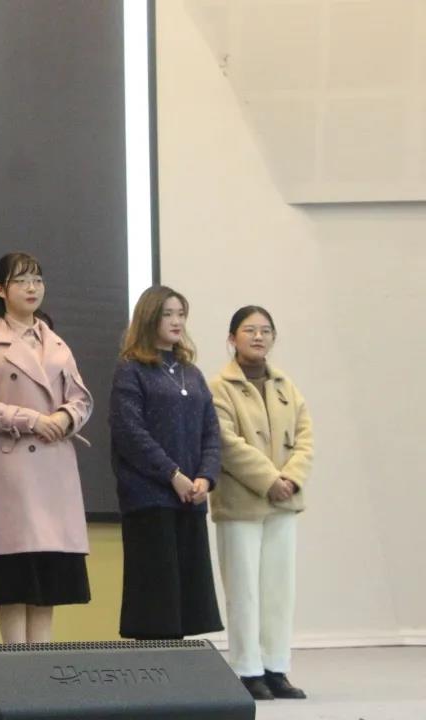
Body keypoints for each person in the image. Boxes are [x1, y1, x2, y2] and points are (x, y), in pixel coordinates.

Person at [0, 252, 94, 645]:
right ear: (1, 289)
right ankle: (15, 667)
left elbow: (81, 397)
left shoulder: (56, 343)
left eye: (37, 280)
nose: (32, 288)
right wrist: (30, 419)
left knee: (47, 582)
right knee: (13, 578)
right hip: (9, 472)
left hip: (53, 470)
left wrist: (66, 418)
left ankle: (42, 667)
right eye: (21, 281)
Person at [209, 306, 313, 700]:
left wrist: (291, 478)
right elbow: (225, 442)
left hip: (284, 502)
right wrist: (269, 480)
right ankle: (248, 670)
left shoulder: (287, 385)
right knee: (244, 589)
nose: (258, 337)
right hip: (241, 503)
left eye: (265, 331)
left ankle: (276, 668)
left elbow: (305, 438)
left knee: (278, 589)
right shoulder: (219, 387)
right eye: (249, 330)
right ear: (231, 338)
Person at [108, 285, 222, 640]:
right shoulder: (131, 370)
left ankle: (182, 664)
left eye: (181, 314)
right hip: (149, 500)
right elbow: (130, 432)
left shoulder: (192, 373)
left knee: (187, 601)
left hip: (190, 499)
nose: (177, 321)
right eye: (168, 314)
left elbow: (211, 431)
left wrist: (205, 477)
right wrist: (172, 474)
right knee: (156, 601)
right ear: (149, 317)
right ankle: (156, 665)